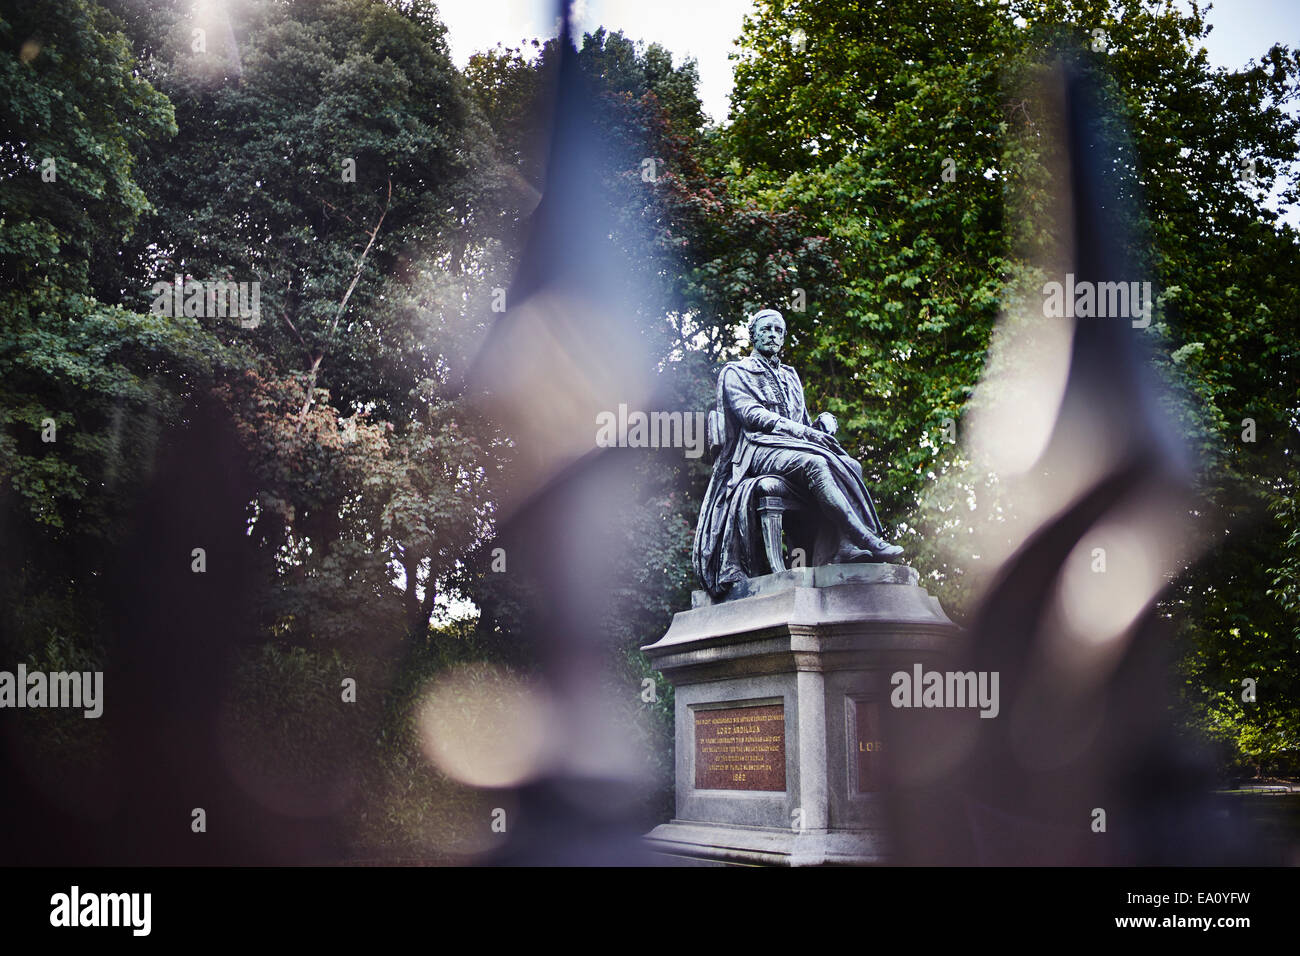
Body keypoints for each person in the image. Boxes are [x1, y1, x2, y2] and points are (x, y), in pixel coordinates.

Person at [693, 308, 903, 598]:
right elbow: (752, 416)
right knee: (816, 462)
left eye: (778, 331)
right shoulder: (736, 372)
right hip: (758, 450)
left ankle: (846, 546)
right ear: (752, 334)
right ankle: (865, 536)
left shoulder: (791, 377)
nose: (772, 335)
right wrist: (804, 432)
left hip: (792, 447)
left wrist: (822, 422)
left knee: (851, 464)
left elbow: (802, 422)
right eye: (766, 329)